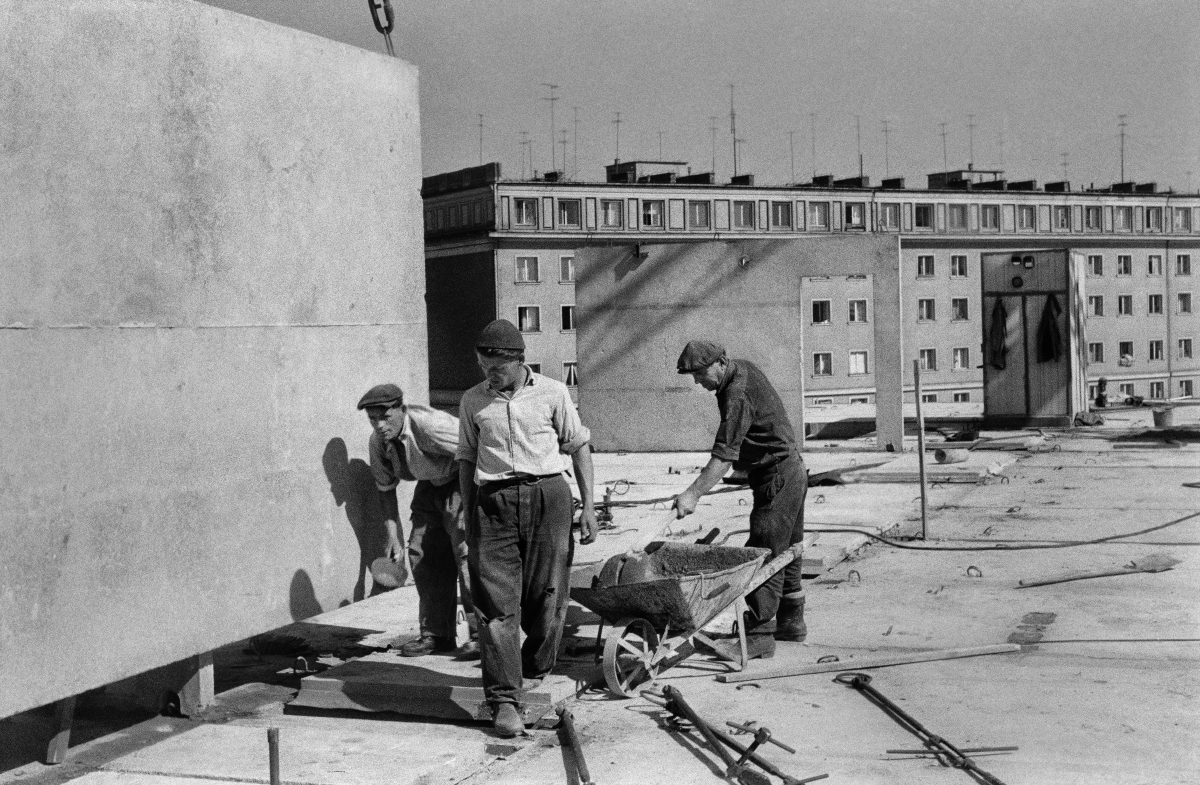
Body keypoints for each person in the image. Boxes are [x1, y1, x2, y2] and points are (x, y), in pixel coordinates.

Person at [457, 319, 597, 738]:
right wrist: (468, 515)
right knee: (495, 603)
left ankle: (536, 662)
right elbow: (466, 457)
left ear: (519, 360)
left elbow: (578, 446)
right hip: (492, 503)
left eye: (496, 368)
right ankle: (504, 700)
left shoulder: (553, 392)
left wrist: (588, 505)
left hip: (548, 498)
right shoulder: (471, 401)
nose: (489, 375)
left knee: (549, 593)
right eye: (483, 366)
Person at [672, 340, 808, 660]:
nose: (697, 382)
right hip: (791, 470)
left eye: (700, 374)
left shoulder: (736, 393)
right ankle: (792, 621)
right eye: (692, 376)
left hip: (776, 479)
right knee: (787, 551)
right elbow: (759, 430)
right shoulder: (742, 369)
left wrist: (693, 493)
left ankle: (759, 635)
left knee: (763, 553)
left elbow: (723, 454)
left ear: (720, 363)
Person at [357, 383, 479, 659]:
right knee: (422, 556)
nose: (378, 425)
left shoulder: (429, 425)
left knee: (466, 556)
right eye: (372, 419)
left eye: (385, 417)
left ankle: (480, 635)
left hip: (461, 480)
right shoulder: (379, 442)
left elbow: (476, 451)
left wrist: (472, 505)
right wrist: (393, 536)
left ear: (401, 409)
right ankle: (436, 634)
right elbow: (385, 491)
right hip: (428, 487)